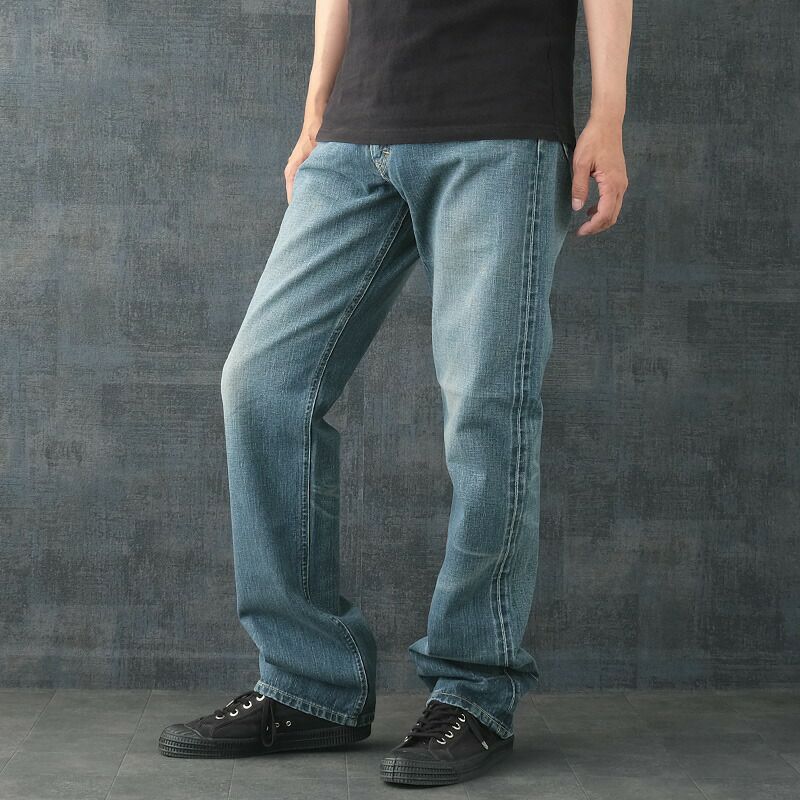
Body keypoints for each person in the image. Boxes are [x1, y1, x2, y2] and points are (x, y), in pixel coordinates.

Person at [159, 0, 631, 787]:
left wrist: (607, 114)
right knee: (262, 385)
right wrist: (316, 109)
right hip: (358, 130)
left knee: (486, 409)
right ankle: (309, 686)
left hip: (500, 125)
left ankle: (475, 691)